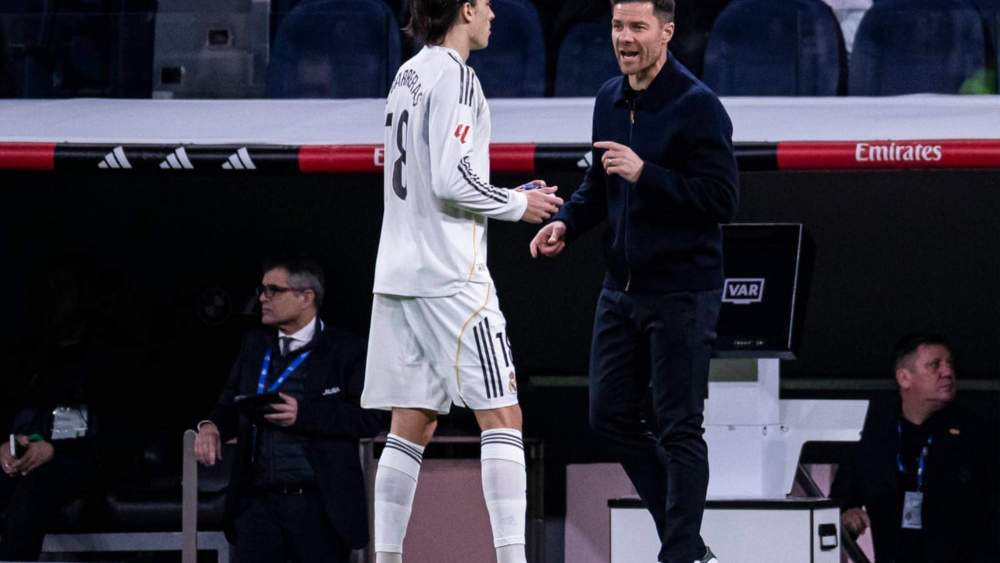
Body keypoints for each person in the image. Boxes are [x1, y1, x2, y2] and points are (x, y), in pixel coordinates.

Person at [529, 1, 738, 562]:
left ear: (666, 33)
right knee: (609, 416)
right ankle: (688, 544)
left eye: (637, 27)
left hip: (682, 292)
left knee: (678, 429)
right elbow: (598, 188)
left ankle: (678, 554)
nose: (624, 38)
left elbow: (721, 201)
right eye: (618, 27)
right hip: (619, 290)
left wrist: (648, 174)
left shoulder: (698, 107)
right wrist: (565, 225)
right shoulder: (607, 98)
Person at [360, 1, 564, 562]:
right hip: (451, 275)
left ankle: (388, 558)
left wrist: (504, 194)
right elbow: (452, 180)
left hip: (398, 270)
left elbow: (434, 174)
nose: (495, 13)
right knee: (503, 412)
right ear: (464, 8)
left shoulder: (408, 73)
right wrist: (517, 203)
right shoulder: (457, 75)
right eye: (487, 3)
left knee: (412, 422)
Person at [193, 258, 385, 563]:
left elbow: (369, 419)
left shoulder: (347, 350)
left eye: (273, 290)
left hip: (318, 507)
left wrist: (305, 414)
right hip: (257, 506)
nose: (262, 298)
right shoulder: (255, 346)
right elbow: (229, 404)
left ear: (306, 297)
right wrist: (210, 426)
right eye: (262, 289)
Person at [0, 257, 138, 561]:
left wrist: (54, 449)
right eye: (47, 292)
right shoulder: (30, 357)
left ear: (80, 296)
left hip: (85, 459)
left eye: (62, 291)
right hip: (29, 455)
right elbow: (21, 413)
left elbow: (113, 425)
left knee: (35, 487)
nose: (54, 302)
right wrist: (8, 444)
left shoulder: (106, 353)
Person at [830, 333, 999, 563]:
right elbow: (839, 505)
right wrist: (847, 518)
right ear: (904, 377)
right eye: (934, 365)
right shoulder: (875, 436)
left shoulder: (976, 434)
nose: (947, 372)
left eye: (950, 364)